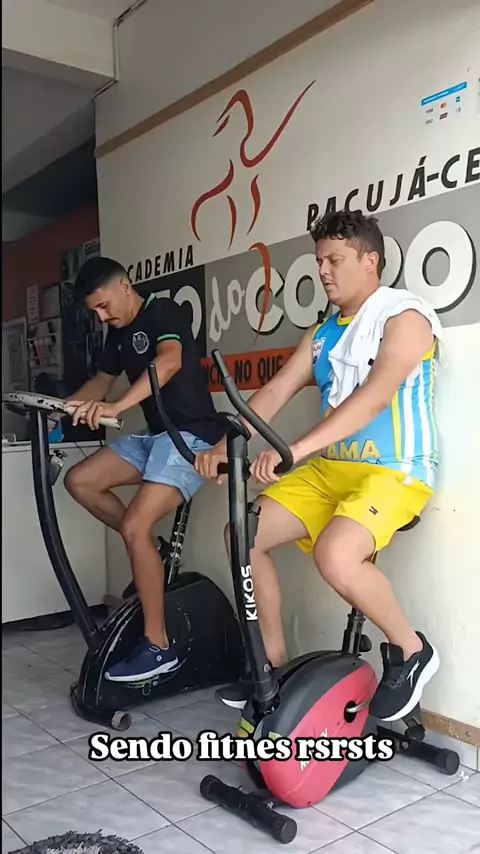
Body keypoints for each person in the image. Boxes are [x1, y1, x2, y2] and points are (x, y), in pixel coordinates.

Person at [195, 208, 442, 723]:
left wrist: (295, 450)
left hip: (394, 470)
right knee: (243, 535)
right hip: (332, 471)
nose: (324, 271)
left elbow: (375, 397)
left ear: (370, 261)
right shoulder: (323, 334)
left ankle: (412, 650)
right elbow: (274, 393)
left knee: (336, 556)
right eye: (319, 261)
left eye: (335, 260)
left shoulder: (406, 318)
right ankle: (273, 670)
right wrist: (225, 446)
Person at [62, 256, 224, 682]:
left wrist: (116, 407)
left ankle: (159, 646)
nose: (102, 317)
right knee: (80, 480)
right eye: (95, 312)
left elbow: (168, 362)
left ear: (124, 285)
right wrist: (60, 408)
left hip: (191, 437)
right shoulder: (116, 334)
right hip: (156, 436)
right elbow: (101, 382)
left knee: (134, 526)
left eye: (103, 306)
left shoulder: (163, 311)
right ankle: (151, 549)